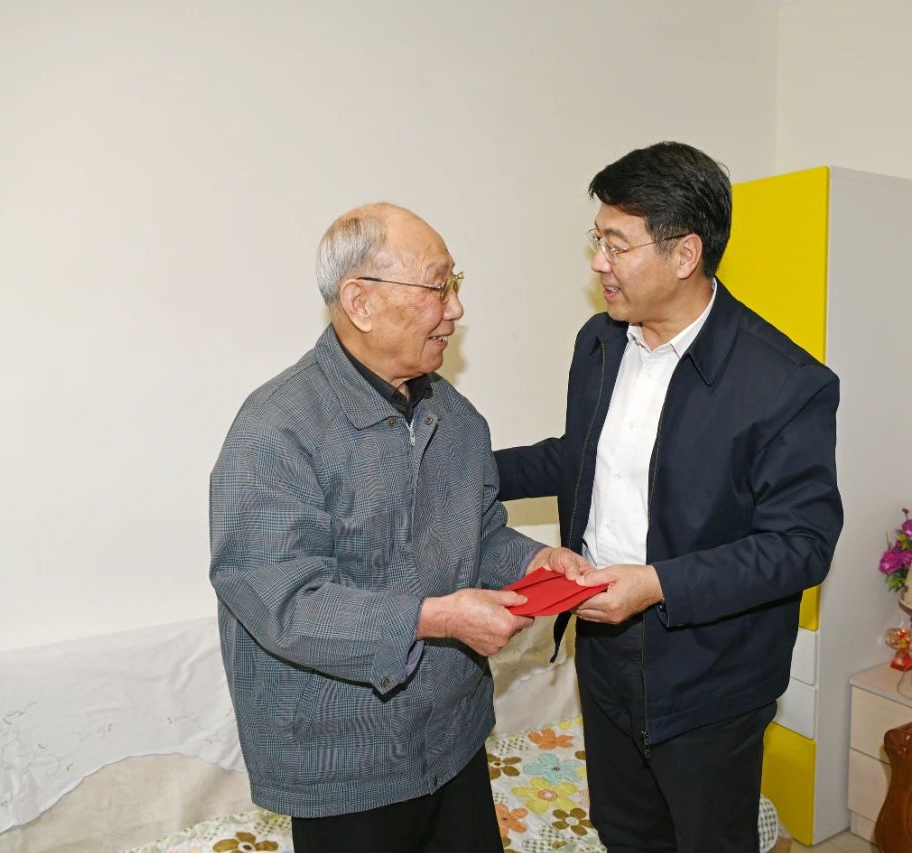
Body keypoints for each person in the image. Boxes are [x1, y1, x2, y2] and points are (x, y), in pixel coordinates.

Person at [210, 203, 589, 853]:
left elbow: (481, 531)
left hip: (453, 735)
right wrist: (435, 618)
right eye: (437, 287)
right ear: (360, 301)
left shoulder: (456, 417)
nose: (456, 309)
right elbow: (283, 601)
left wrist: (534, 561)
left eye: (454, 284)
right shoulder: (276, 429)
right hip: (344, 759)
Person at [496, 142, 843, 852]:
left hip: (710, 671)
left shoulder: (783, 383)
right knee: (625, 832)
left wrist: (655, 584)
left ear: (685, 253)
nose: (599, 263)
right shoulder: (599, 343)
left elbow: (800, 546)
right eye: (597, 240)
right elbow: (582, 456)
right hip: (603, 648)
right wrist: (462, 471)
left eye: (616, 245)